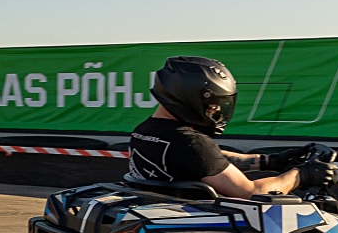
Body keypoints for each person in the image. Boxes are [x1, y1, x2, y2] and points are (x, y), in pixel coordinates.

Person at [124, 56, 325, 198]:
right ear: (188, 98)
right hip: (206, 224)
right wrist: (302, 175)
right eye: (213, 104)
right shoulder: (191, 143)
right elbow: (252, 192)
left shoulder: (145, 132)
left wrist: (271, 161)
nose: (216, 110)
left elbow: (209, 161)